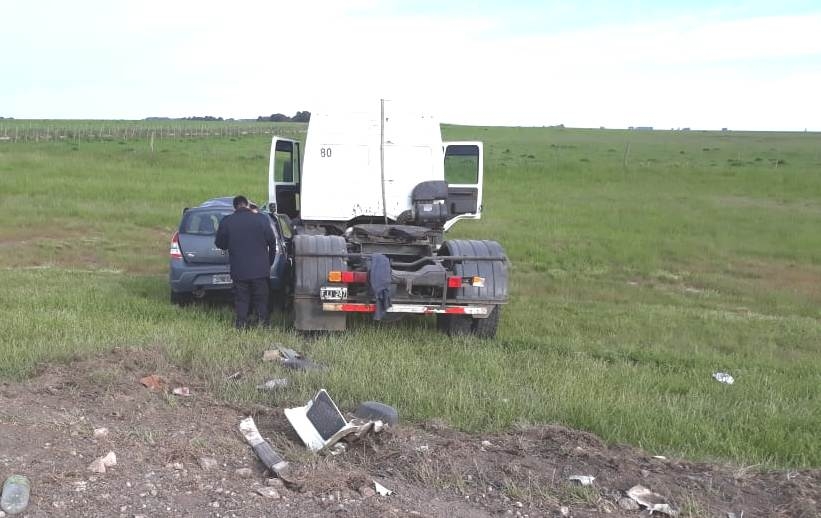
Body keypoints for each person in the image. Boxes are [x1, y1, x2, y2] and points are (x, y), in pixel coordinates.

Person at [215, 195, 276, 329]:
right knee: (261, 299)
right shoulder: (261, 219)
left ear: (234, 206)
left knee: (241, 299)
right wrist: (269, 262)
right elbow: (272, 242)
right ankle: (263, 324)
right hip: (260, 269)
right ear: (247, 205)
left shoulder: (227, 221)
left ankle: (241, 324)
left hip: (239, 270)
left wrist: (230, 243)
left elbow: (220, 243)